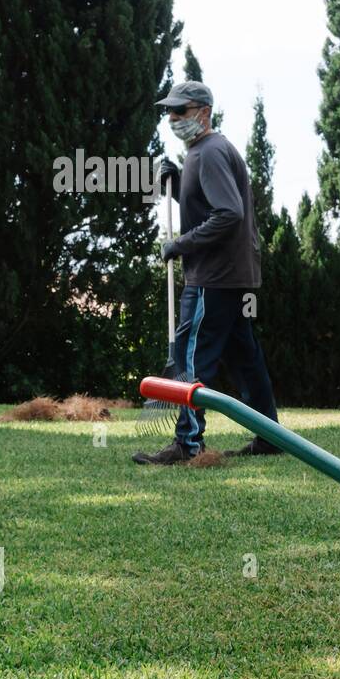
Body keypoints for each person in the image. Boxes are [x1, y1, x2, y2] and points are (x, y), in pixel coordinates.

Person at [132, 80, 282, 465]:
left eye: (178, 111)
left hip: (212, 277)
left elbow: (228, 214)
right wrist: (177, 185)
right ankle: (270, 437)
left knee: (191, 356)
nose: (171, 118)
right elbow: (210, 204)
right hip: (231, 275)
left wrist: (179, 245)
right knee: (245, 358)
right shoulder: (207, 151)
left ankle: (187, 445)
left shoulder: (210, 151)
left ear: (202, 112)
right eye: (168, 112)